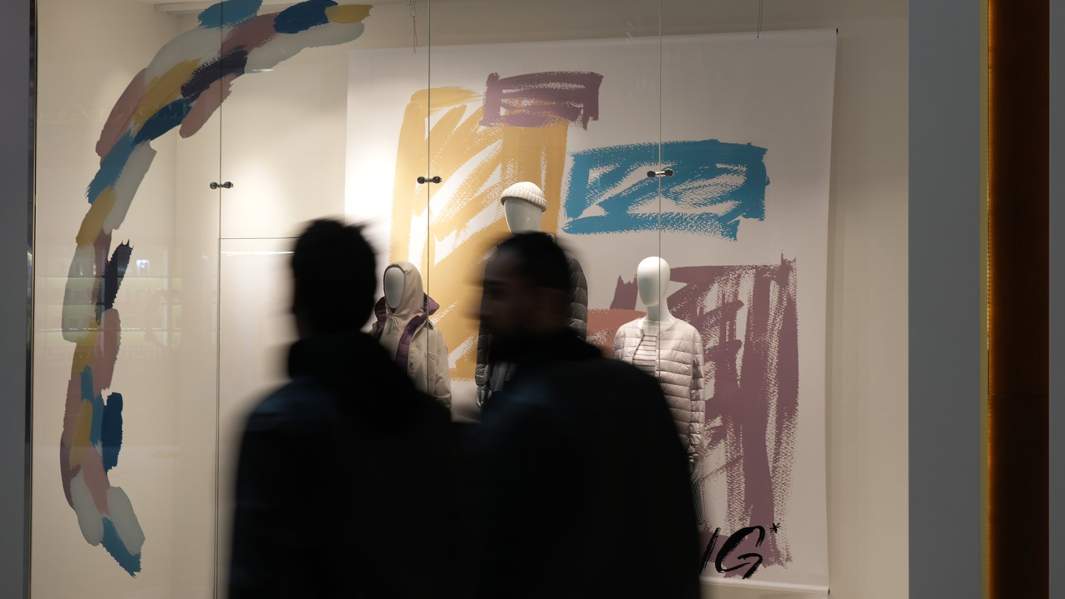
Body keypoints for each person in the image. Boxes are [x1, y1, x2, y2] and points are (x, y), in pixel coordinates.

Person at [227, 219, 455, 599]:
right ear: (368, 301)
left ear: (296, 302)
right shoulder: (426, 425)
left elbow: (257, 576)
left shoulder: (276, 427)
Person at [471, 233, 701, 599]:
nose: (481, 311)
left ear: (545, 300)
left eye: (497, 293)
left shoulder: (525, 416)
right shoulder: (635, 388)